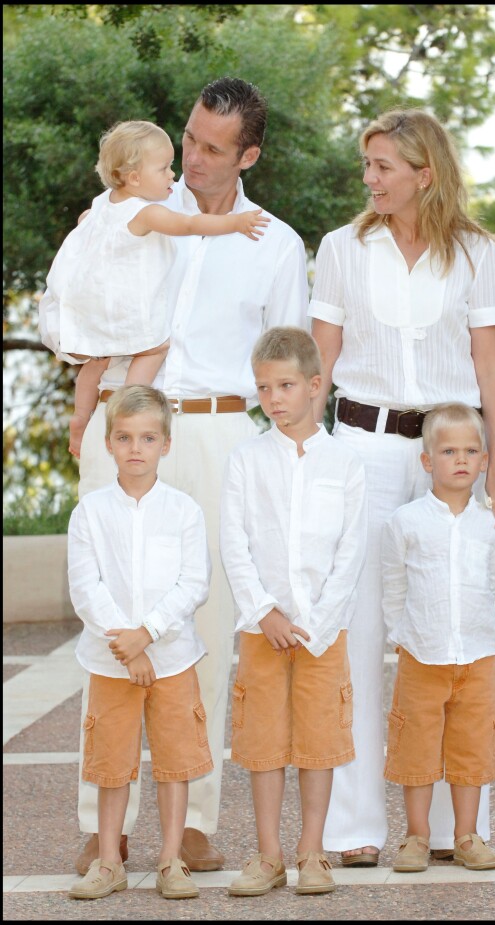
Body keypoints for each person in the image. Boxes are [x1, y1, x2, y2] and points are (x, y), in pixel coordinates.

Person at [41, 77, 309, 878]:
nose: (191, 157)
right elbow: (78, 302)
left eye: (211, 147)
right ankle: (103, 822)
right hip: (126, 420)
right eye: (188, 138)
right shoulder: (124, 209)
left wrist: (287, 467)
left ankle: (192, 819)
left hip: (223, 432)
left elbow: (289, 364)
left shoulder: (278, 242)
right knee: (107, 619)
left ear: (249, 155)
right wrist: (85, 410)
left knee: (206, 629)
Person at [308, 108, 495, 865]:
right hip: (360, 449)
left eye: (384, 167)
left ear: (424, 172)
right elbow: (321, 355)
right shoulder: (341, 248)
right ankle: (358, 827)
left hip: (447, 453)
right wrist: (304, 452)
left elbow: (488, 363)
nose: (370, 179)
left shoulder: (476, 254)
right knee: (358, 633)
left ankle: (467, 828)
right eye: (366, 166)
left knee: (458, 635)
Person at [220, 327, 367, 896]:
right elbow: (235, 543)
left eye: (285, 385)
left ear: (314, 385)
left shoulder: (345, 464)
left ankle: (312, 853)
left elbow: (349, 552)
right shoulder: (246, 460)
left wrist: (319, 624)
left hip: (323, 634)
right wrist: (265, 612)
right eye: (263, 387)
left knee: (318, 742)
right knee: (262, 744)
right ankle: (268, 854)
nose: (274, 398)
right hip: (262, 630)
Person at [39, 119, 269, 459]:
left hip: (96, 306)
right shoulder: (146, 213)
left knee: (98, 361)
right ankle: (130, 403)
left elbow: (84, 224)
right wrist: (235, 222)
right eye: (164, 168)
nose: (173, 176)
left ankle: (80, 418)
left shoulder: (103, 203)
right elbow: (190, 224)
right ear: (134, 178)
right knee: (154, 348)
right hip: (125, 310)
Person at [67, 385, 213, 901]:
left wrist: (147, 634)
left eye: (147, 438)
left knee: (175, 761)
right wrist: (127, 645)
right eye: (125, 438)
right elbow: (86, 588)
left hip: (172, 659)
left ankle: (172, 860)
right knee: (111, 764)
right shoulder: (90, 513)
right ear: (107, 443)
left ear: (165, 445)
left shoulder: (185, 511)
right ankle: (108, 861)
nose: (136, 448)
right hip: (111, 664)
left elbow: (194, 583)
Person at [381, 403, 495, 872]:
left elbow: (493, 581)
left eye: (471, 451)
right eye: (449, 450)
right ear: (427, 460)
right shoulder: (407, 522)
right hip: (422, 654)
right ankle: (416, 837)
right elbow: (394, 584)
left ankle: (466, 836)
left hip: (477, 655)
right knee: (415, 744)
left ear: (483, 460)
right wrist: (402, 634)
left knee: (471, 745)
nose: (460, 459)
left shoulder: (491, 524)